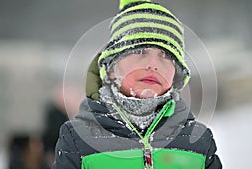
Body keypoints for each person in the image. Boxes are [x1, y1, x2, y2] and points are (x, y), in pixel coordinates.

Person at [52, 0, 222, 168]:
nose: (153, 64)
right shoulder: (77, 139)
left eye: (165, 55)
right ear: (111, 68)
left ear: (176, 73)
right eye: (140, 50)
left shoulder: (198, 141)